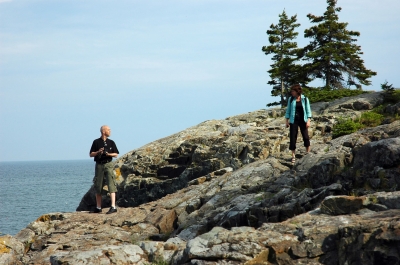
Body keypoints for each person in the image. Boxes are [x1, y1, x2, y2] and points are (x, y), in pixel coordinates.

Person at [89, 125, 119, 214]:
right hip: (99, 165)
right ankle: (98, 207)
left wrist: (108, 154)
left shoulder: (111, 142)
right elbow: (91, 154)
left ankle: (113, 206)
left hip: (109, 164)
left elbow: (116, 154)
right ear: (103, 131)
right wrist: (98, 152)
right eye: (108, 130)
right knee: (98, 185)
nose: (110, 131)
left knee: (111, 184)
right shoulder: (96, 142)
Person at [285, 84, 312, 163]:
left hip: (303, 120)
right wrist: (287, 121)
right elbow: (288, 111)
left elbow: (308, 111)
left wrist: (308, 121)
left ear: (297, 91)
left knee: (306, 136)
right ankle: (293, 156)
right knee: (293, 138)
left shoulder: (305, 99)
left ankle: (308, 152)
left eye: (293, 91)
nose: (292, 93)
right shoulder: (291, 99)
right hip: (294, 120)